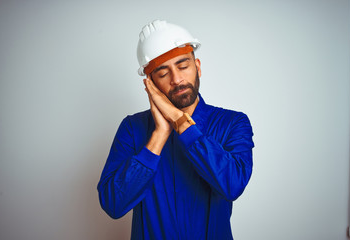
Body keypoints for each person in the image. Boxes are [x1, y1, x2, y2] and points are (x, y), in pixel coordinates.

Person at [97, 19, 254, 240]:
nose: (177, 79)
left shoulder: (233, 123)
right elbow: (113, 204)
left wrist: (181, 124)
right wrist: (159, 135)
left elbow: (232, 185)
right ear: (150, 83)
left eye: (183, 66)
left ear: (197, 66)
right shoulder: (132, 129)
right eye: (163, 73)